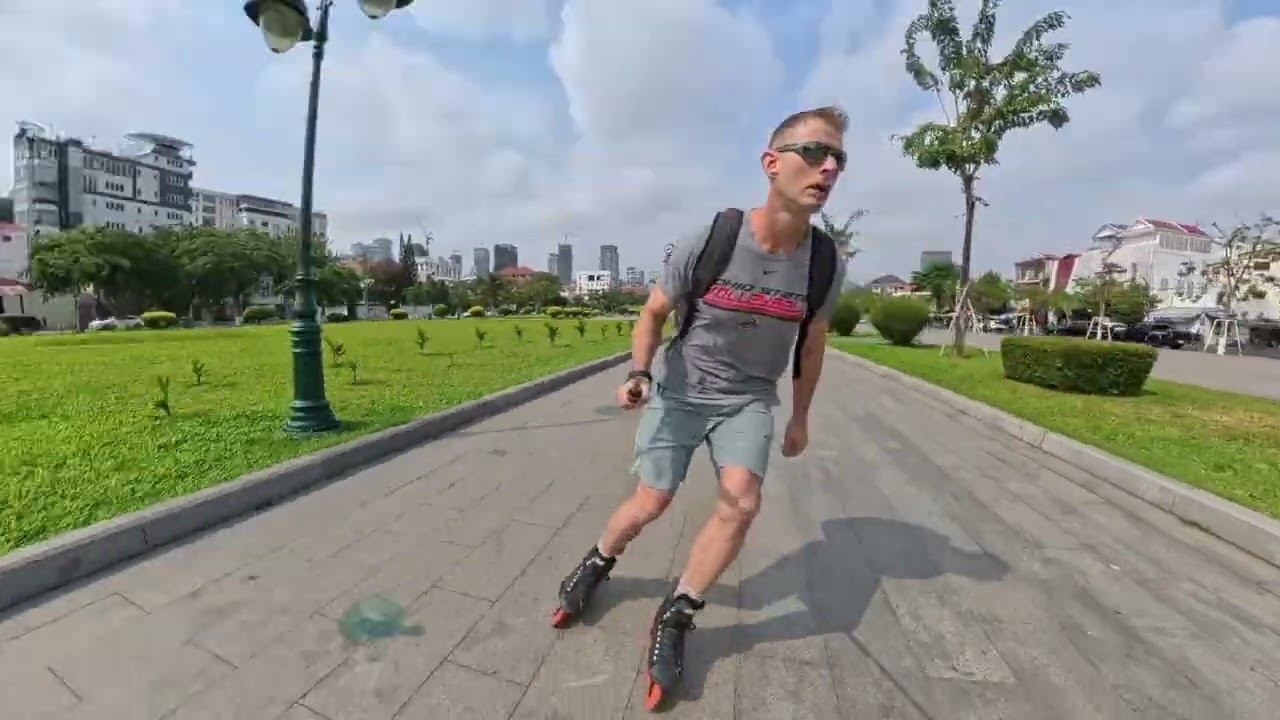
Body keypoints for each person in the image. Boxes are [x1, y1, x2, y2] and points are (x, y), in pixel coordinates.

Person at [552, 105, 849, 708]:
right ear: (772, 164)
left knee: (741, 504)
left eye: (839, 159)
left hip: (746, 401)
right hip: (682, 391)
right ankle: (598, 561)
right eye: (815, 153)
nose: (829, 168)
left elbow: (813, 339)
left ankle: (679, 612)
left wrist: (799, 415)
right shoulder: (713, 238)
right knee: (650, 503)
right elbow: (654, 313)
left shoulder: (824, 261)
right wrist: (638, 373)